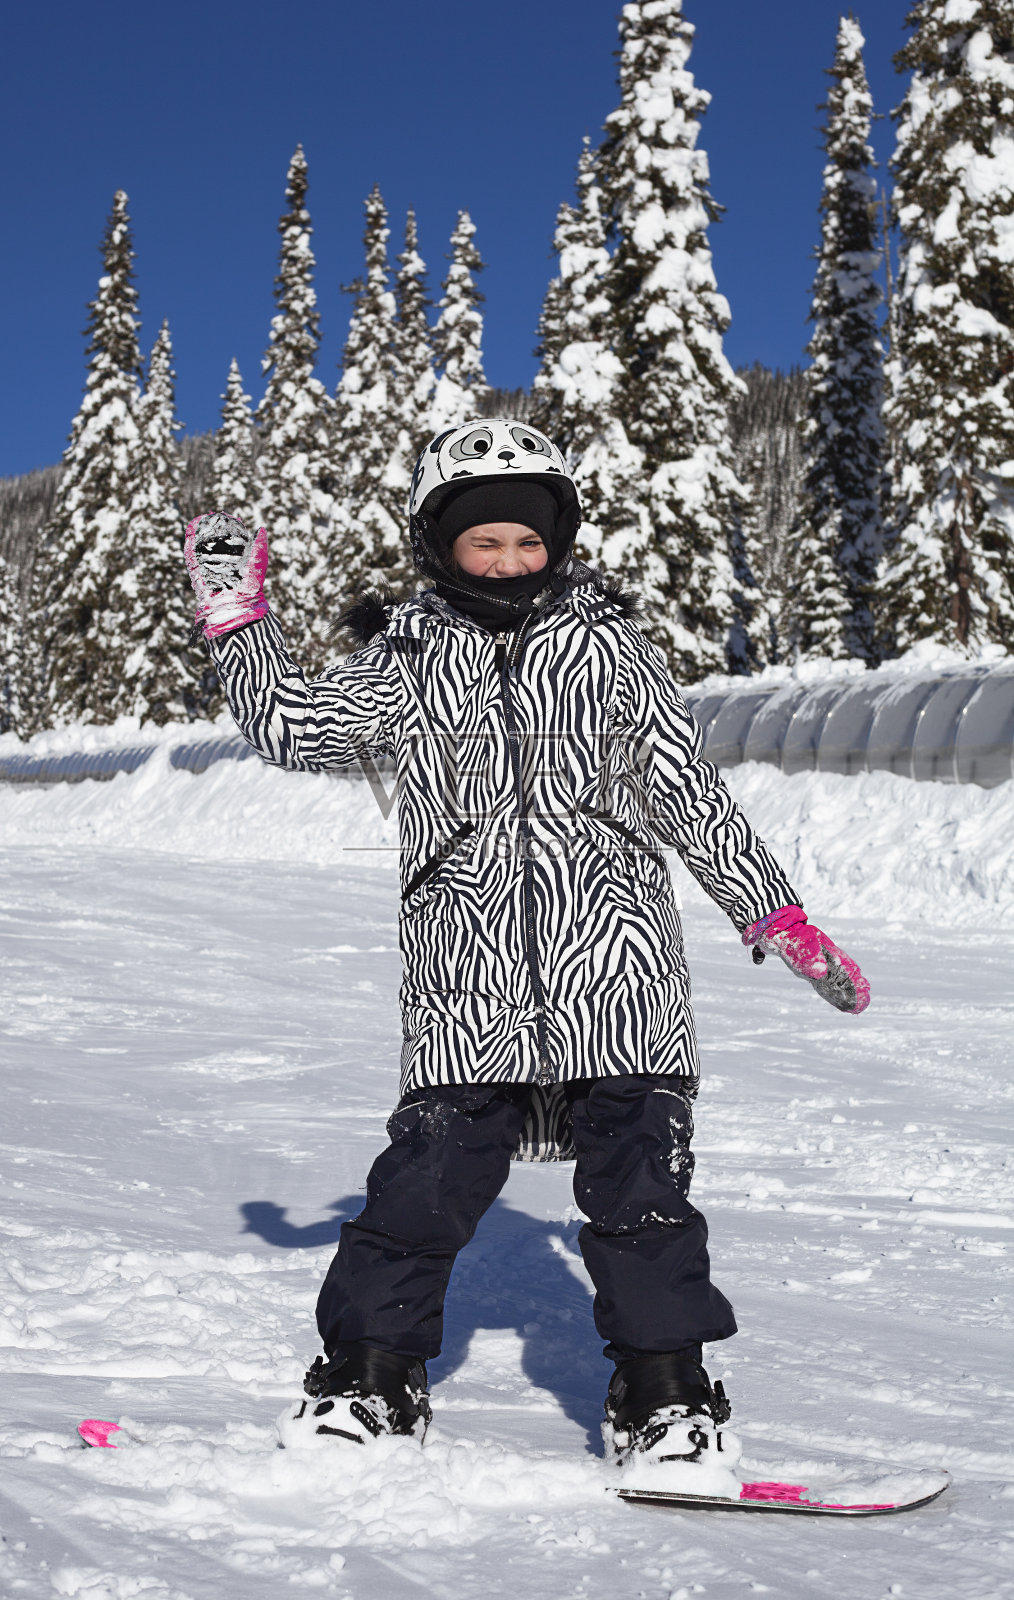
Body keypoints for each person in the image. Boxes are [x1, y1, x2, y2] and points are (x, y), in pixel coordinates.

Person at [184, 418, 870, 1478]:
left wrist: (773, 913)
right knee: (419, 1190)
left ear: (559, 541)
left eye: (527, 540)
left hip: (620, 976)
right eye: (483, 541)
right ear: (440, 545)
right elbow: (294, 727)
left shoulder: (613, 652)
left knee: (646, 1200)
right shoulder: (408, 660)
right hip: (467, 982)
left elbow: (689, 795)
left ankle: (666, 1395)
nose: (508, 560)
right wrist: (238, 617)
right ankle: (369, 1376)